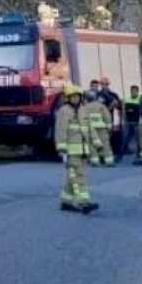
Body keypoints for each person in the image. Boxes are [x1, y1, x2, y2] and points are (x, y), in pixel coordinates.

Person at [54, 84, 101, 214]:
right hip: (70, 151)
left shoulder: (82, 110)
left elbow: (89, 127)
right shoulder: (64, 111)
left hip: (82, 150)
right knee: (78, 176)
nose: (75, 99)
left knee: (72, 177)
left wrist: (97, 143)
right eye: (72, 97)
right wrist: (62, 149)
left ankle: (66, 201)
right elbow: (60, 131)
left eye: (77, 96)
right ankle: (84, 202)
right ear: (67, 98)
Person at [83, 87, 115, 167]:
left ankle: (95, 161)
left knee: (92, 145)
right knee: (105, 144)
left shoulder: (85, 107)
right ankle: (109, 161)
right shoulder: (101, 106)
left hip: (91, 129)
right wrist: (109, 126)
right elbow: (107, 116)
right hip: (102, 128)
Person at [99, 77, 124, 161]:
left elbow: (119, 106)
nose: (104, 86)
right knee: (105, 138)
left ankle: (117, 154)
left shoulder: (114, 94)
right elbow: (100, 108)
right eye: (102, 84)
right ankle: (104, 155)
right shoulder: (99, 95)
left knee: (116, 137)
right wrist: (110, 106)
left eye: (106, 84)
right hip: (103, 120)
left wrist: (117, 104)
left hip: (115, 119)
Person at [122, 85, 141, 160]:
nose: (133, 92)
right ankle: (125, 149)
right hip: (129, 121)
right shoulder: (127, 99)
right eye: (132, 91)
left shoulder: (140, 99)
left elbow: (140, 111)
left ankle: (139, 151)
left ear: (137, 91)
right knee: (127, 136)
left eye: (135, 91)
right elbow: (126, 110)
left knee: (138, 137)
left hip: (137, 121)